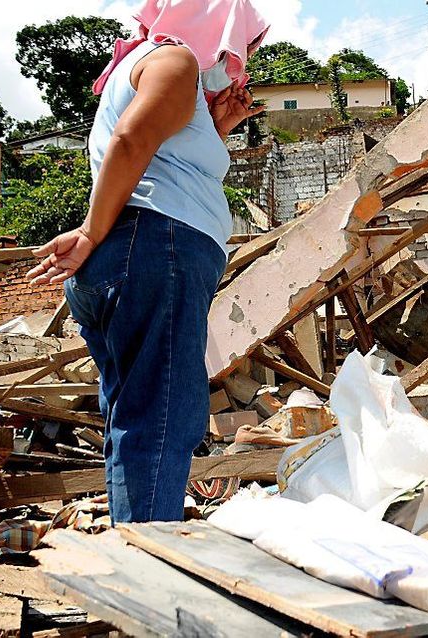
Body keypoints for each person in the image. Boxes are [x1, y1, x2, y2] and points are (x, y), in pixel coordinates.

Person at [27, 0, 269, 522]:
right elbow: (131, 140)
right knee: (164, 418)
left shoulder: (146, 65)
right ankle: (149, 571)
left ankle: (132, 553)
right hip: (157, 250)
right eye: (240, 44)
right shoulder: (175, 60)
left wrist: (218, 127)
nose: (239, 60)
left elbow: (164, 162)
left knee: (134, 418)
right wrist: (91, 231)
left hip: (137, 255)